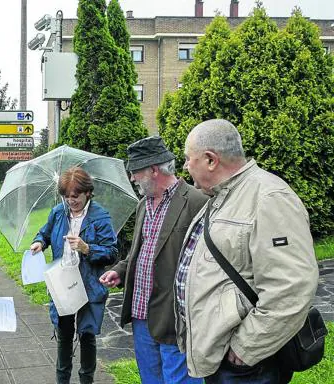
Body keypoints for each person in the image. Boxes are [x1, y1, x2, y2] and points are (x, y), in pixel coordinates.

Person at [175, 119, 318, 383]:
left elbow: (292, 287)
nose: (185, 166)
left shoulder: (269, 197)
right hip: (224, 357)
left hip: (248, 366)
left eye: (187, 158)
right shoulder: (222, 196)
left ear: (210, 160)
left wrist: (245, 348)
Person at [99, 136, 207, 384]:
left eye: (135, 172)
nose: (133, 178)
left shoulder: (196, 202)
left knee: (180, 381)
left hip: (174, 317)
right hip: (140, 315)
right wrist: (121, 271)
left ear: (154, 170)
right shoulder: (143, 206)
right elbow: (141, 253)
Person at [29, 166, 118, 384]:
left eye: (75, 196)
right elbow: (45, 232)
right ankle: (63, 380)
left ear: (88, 192)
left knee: (87, 335)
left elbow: (112, 252)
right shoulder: (59, 212)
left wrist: (88, 248)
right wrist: (40, 242)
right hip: (63, 283)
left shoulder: (100, 217)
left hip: (88, 285)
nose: (71, 201)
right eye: (67, 196)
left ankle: (86, 379)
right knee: (64, 335)